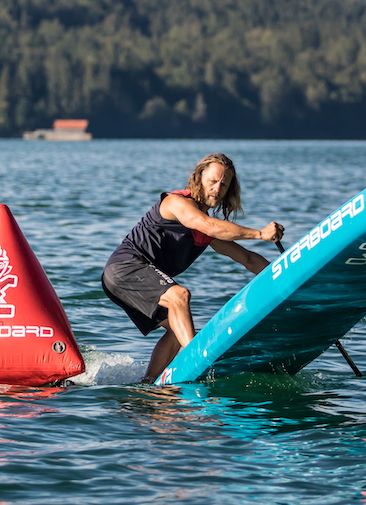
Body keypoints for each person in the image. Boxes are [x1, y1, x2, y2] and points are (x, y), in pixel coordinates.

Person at [101, 153, 284, 383]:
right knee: (179, 296)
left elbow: (247, 258)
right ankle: (197, 361)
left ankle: (150, 383)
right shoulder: (176, 203)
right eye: (212, 181)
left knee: (177, 329)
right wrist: (259, 234)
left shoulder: (205, 229)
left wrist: (284, 275)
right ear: (198, 178)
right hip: (125, 268)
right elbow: (210, 225)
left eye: (224, 184)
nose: (217, 188)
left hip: (128, 278)